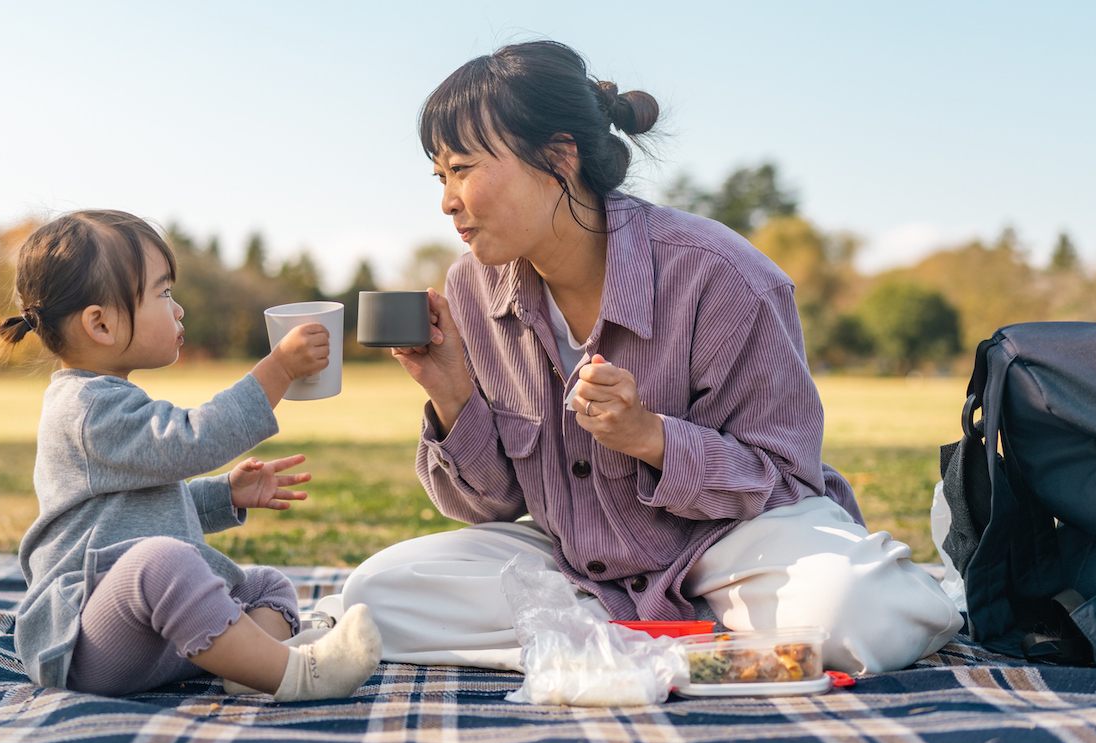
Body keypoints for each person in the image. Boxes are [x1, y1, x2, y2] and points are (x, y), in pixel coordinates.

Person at [320, 41, 961, 675]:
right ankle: (699, 649)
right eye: (440, 175)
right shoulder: (470, 290)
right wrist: (452, 393)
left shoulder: (721, 277)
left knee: (856, 611)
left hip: (731, 547)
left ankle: (605, 645)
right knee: (376, 595)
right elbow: (490, 508)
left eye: (462, 169)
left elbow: (787, 480)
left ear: (558, 157)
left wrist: (652, 438)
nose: (446, 201)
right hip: (578, 564)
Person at [0, 210, 381, 701]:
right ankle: (301, 674)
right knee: (163, 562)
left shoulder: (107, 400)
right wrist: (277, 370)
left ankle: (251, 667)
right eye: (162, 293)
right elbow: (191, 439)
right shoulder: (87, 409)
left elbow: (132, 512)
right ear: (101, 324)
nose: (178, 309)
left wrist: (225, 494)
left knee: (265, 584)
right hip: (86, 641)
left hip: (152, 638)